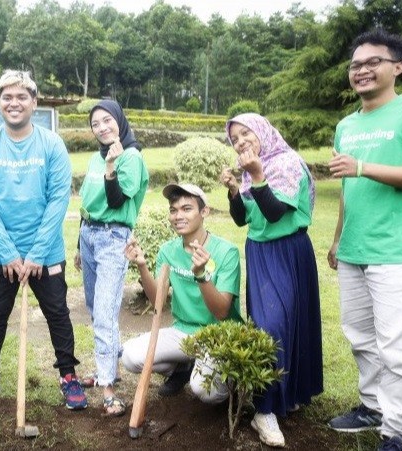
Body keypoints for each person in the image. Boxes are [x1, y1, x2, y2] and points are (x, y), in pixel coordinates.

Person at [327, 29, 402, 451]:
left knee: (397, 347)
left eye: (373, 62)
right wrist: (336, 240)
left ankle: (397, 432)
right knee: (361, 337)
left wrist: (364, 166)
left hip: (398, 251)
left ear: (397, 67)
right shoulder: (346, 125)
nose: (362, 70)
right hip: (354, 250)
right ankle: (371, 406)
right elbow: (350, 191)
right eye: (355, 65)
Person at [0, 70, 87, 410]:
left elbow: (58, 199)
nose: (13, 103)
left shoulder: (51, 144)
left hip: (45, 254)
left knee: (57, 314)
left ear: (34, 102)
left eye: (21, 97)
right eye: (7, 97)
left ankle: (68, 377)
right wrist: (7, 252)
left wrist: (36, 253)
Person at [221, 112, 323, 447]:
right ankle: (264, 409)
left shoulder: (287, 163)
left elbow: (277, 212)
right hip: (261, 252)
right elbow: (243, 220)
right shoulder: (254, 171)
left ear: (262, 130)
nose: (240, 142)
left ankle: (287, 395)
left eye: (245, 133)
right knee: (270, 325)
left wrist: (257, 175)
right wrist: (236, 192)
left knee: (289, 323)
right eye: (234, 139)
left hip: (290, 251)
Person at [121, 184, 240, 406]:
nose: (178, 216)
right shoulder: (169, 250)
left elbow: (222, 311)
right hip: (182, 332)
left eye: (187, 209)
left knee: (206, 392)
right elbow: (158, 301)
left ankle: (230, 378)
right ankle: (182, 366)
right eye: (173, 210)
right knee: (129, 356)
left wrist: (202, 275)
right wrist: (142, 267)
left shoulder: (227, 252)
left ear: (204, 212)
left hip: (218, 335)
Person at [74, 99, 148, 416]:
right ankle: (111, 369)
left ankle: (107, 387)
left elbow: (116, 202)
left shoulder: (131, 158)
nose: (102, 127)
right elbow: (87, 204)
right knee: (95, 307)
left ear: (119, 120)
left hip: (112, 238)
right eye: (96, 124)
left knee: (105, 312)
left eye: (107, 120)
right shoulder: (95, 156)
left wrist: (111, 168)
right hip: (89, 236)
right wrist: (79, 244)